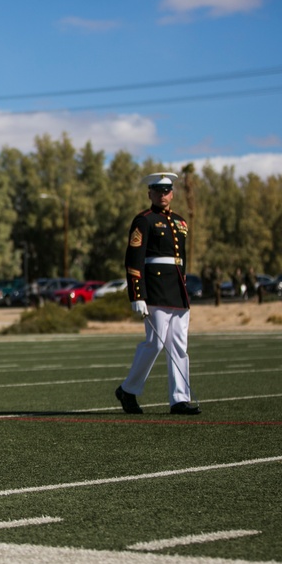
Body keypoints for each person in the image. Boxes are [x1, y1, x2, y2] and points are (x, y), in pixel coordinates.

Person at [115, 173, 200, 415]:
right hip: (155, 289)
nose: (162, 195)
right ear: (150, 193)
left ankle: (180, 400)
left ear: (172, 193)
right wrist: (137, 294)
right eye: (157, 190)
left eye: (166, 190)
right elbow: (134, 258)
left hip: (177, 291)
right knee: (154, 343)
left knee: (179, 346)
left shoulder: (181, 222)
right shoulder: (144, 220)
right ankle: (128, 390)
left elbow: (179, 260)